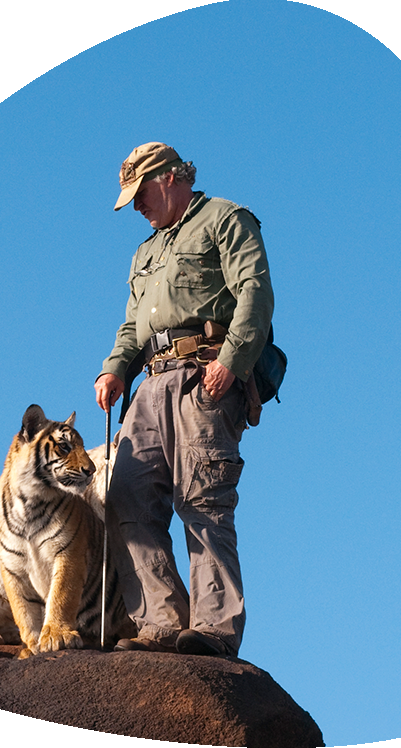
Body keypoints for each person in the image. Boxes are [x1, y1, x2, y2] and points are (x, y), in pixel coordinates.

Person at [94, 142, 274, 657]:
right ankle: (159, 624)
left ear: (171, 177)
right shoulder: (145, 252)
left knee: (203, 500)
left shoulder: (224, 218)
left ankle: (214, 631)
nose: (138, 206)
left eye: (142, 193)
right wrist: (113, 370)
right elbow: (133, 325)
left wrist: (231, 363)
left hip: (204, 375)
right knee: (126, 494)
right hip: (149, 385)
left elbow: (256, 295)